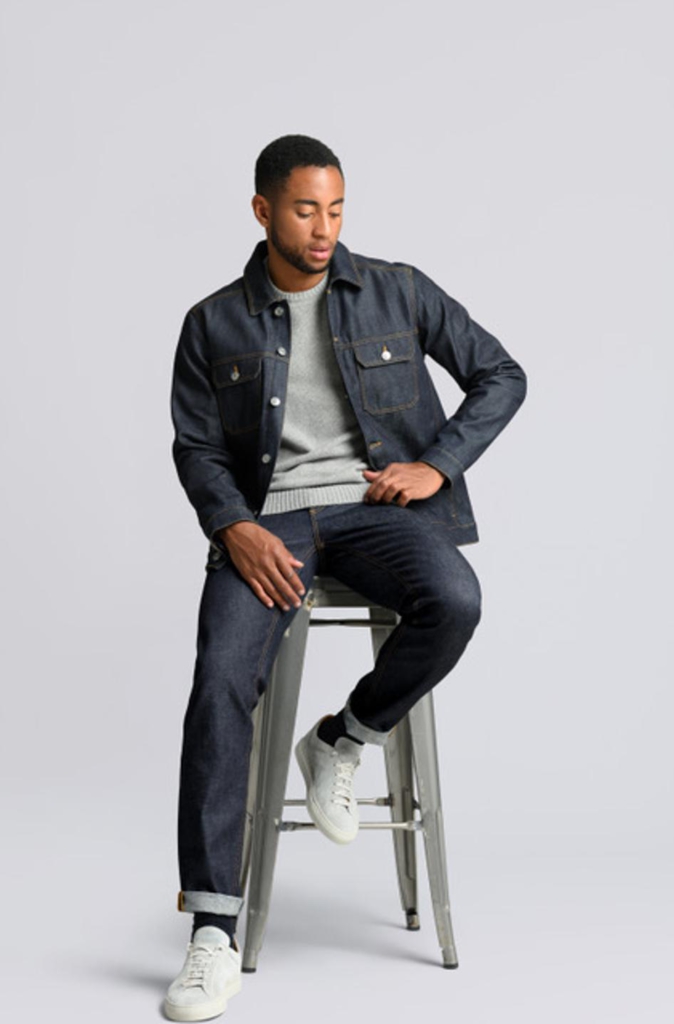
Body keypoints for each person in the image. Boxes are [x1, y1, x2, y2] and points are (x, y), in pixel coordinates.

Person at [163, 134, 527, 1021]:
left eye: (335, 209)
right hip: (268, 526)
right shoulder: (213, 322)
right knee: (219, 683)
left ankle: (342, 737)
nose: (323, 228)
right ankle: (212, 933)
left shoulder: (398, 289)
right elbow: (197, 447)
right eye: (304, 210)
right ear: (262, 211)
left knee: (455, 600)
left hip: (375, 514)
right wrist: (235, 526)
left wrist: (436, 466)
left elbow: (501, 374)